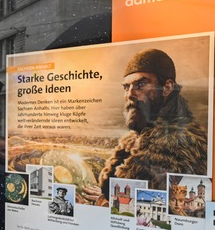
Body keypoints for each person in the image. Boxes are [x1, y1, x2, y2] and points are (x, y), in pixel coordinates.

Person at [83, 48, 208, 204]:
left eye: (140, 84)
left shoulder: (180, 146)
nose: (130, 94)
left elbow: (162, 212)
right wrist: (106, 194)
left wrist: (103, 203)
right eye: (126, 87)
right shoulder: (135, 140)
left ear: (167, 87)